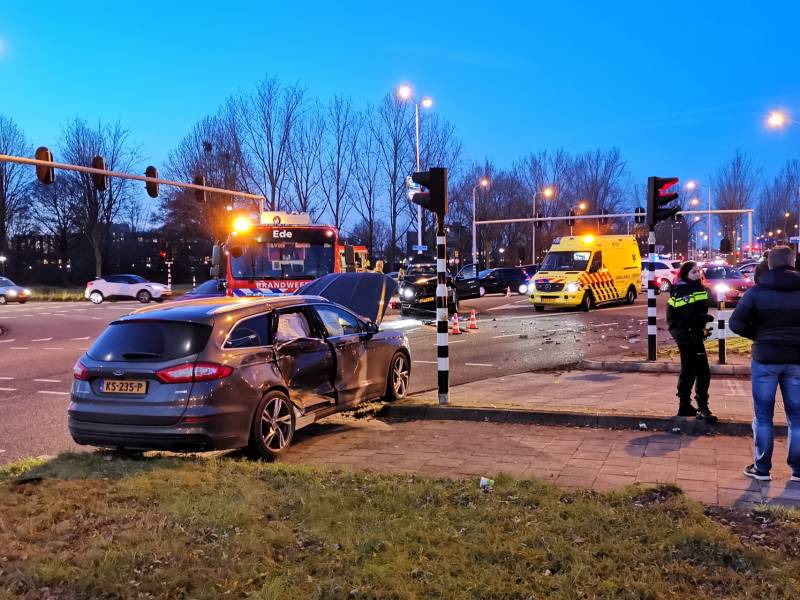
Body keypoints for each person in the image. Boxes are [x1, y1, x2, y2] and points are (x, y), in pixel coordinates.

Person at [730, 245, 800, 482]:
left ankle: (762, 469)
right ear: (793, 262)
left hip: (765, 360)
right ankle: (798, 471)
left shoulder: (757, 292)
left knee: (763, 416)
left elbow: (736, 324)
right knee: (798, 418)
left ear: (769, 264)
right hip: (797, 360)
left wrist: (759, 336)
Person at [666, 261, 717, 421]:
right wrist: (705, 318)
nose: (697, 274)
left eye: (698, 271)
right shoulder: (684, 290)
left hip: (689, 333)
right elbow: (687, 315)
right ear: (685, 274)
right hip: (687, 335)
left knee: (688, 368)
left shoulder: (695, 287)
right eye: (694, 272)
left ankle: (684, 405)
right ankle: (703, 408)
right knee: (702, 371)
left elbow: (702, 305)